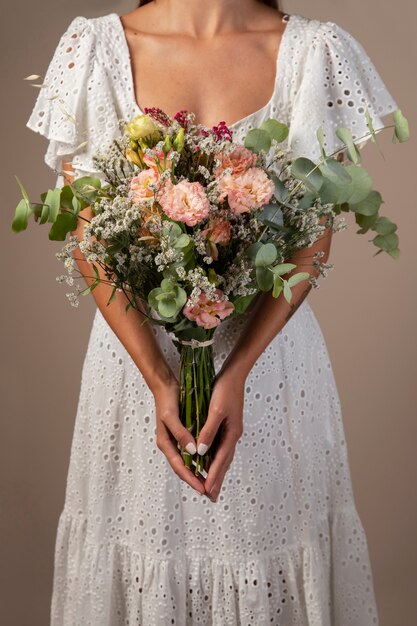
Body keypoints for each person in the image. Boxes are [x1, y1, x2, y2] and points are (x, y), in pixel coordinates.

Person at [26, 0, 397, 623]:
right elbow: (87, 235)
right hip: (134, 368)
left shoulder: (315, 53)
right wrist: (159, 377)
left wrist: (237, 371)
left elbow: (313, 242)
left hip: (272, 368)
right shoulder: (94, 48)